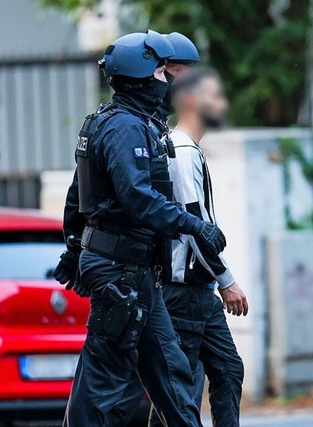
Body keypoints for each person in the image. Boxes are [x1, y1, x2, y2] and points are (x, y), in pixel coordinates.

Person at [58, 31, 228, 427]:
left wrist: (74, 251)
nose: (168, 82)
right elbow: (137, 198)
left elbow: (75, 199)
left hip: (137, 275)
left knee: (173, 375)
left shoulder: (131, 124)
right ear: (140, 79)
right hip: (119, 272)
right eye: (161, 74)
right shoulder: (124, 130)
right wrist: (194, 226)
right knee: (101, 383)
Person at [155, 67, 248, 426]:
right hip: (183, 291)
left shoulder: (190, 148)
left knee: (227, 370)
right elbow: (195, 225)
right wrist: (226, 280)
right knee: (184, 391)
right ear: (190, 101)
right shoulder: (180, 150)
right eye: (214, 96)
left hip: (199, 292)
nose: (221, 104)